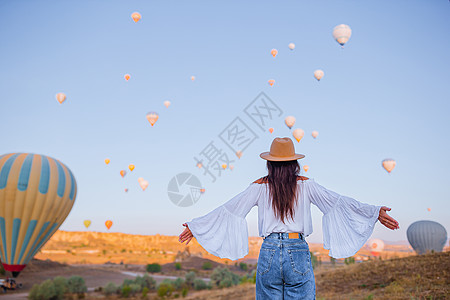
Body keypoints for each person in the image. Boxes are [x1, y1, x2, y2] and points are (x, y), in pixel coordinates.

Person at [178, 137, 399, 299]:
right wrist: (373, 212)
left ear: (270, 162)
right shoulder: (306, 184)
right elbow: (337, 202)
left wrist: (197, 227)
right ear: (294, 162)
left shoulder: (258, 186)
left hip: (269, 250)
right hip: (298, 249)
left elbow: (230, 210)